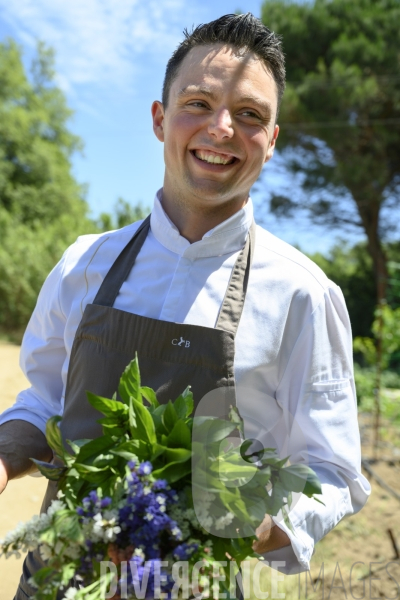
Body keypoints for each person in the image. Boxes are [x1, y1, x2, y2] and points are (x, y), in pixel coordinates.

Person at [0, 12, 370, 598]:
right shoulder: (85, 264)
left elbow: (333, 471)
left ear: (271, 142)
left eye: (250, 115)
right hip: (56, 581)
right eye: (198, 102)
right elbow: (45, 400)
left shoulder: (302, 294)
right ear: (159, 118)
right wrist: (5, 457)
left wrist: (259, 522)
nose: (221, 128)